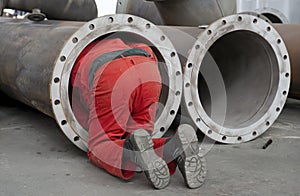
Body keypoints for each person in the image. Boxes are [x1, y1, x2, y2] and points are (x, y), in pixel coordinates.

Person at [70, 37, 205, 189]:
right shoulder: (116, 40)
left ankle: (130, 153)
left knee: (99, 145)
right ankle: (175, 147)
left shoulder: (77, 59)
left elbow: (82, 118)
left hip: (111, 73)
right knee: (141, 137)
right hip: (148, 70)